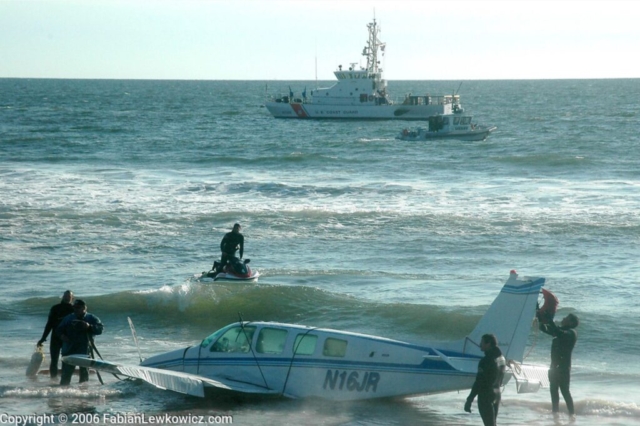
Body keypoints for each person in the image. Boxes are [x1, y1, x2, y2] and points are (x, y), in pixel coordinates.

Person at [539, 313, 579, 417]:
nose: (563, 318)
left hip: (563, 368)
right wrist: (540, 316)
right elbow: (543, 329)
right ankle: (555, 414)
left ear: (571, 322)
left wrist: (550, 320)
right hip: (554, 367)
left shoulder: (571, 333)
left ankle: (572, 415)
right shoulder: (560, 331)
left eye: (565, 318)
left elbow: (559, 332)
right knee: (553, 391)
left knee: (565, 391)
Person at [56, 299, 103, 385]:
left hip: (85, 350)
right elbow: (58, 330)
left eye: (78, 308)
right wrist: (63, 336)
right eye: (74, 308)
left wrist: (89, 326)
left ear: (84, 308)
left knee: (84, 376)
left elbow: (100, 330)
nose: (76, 310)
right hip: (69, 350)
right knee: (66, 376)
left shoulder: (91, 318)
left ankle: (83, 394)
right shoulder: (68, 318)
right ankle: (62, 393)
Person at [464, 333, 506, 426]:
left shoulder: (486, 360)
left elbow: (479, 382)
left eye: (482, 342)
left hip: (486, 396)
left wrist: (469, 399)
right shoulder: (502, 358)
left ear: (488, 344)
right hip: (497, 394)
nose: (480, 344)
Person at [37, 290, 75, 378]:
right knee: (54, 360)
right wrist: (43, 338)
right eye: (65, 296)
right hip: (56, 337)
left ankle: (64, 380)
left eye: (69, 297)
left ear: (72, 298)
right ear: (63, 297)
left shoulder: (74, 309)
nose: (67, 298)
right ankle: (53, 380)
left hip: (68, 339)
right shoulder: (55, 308)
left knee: (66, 360)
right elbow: (49, 324)